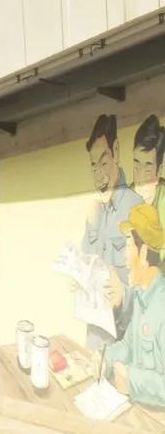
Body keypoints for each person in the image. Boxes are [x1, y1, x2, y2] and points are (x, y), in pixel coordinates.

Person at [82, 113, 142, 351]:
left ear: (116, 151)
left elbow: (154, 289)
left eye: (104, 163)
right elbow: (85, 261)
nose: (99, 174)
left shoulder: (137, 209)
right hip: (95, 340)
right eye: (93, 166)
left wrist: (123, 297)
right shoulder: (96, 210)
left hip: (124, 345)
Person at [104, 204, 165, 407]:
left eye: (128, 247)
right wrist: (104, 359)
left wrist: (131, 381)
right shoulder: (141, 296)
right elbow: (128, 346)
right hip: (138, 409)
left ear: (144, 253)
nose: (124, 257)